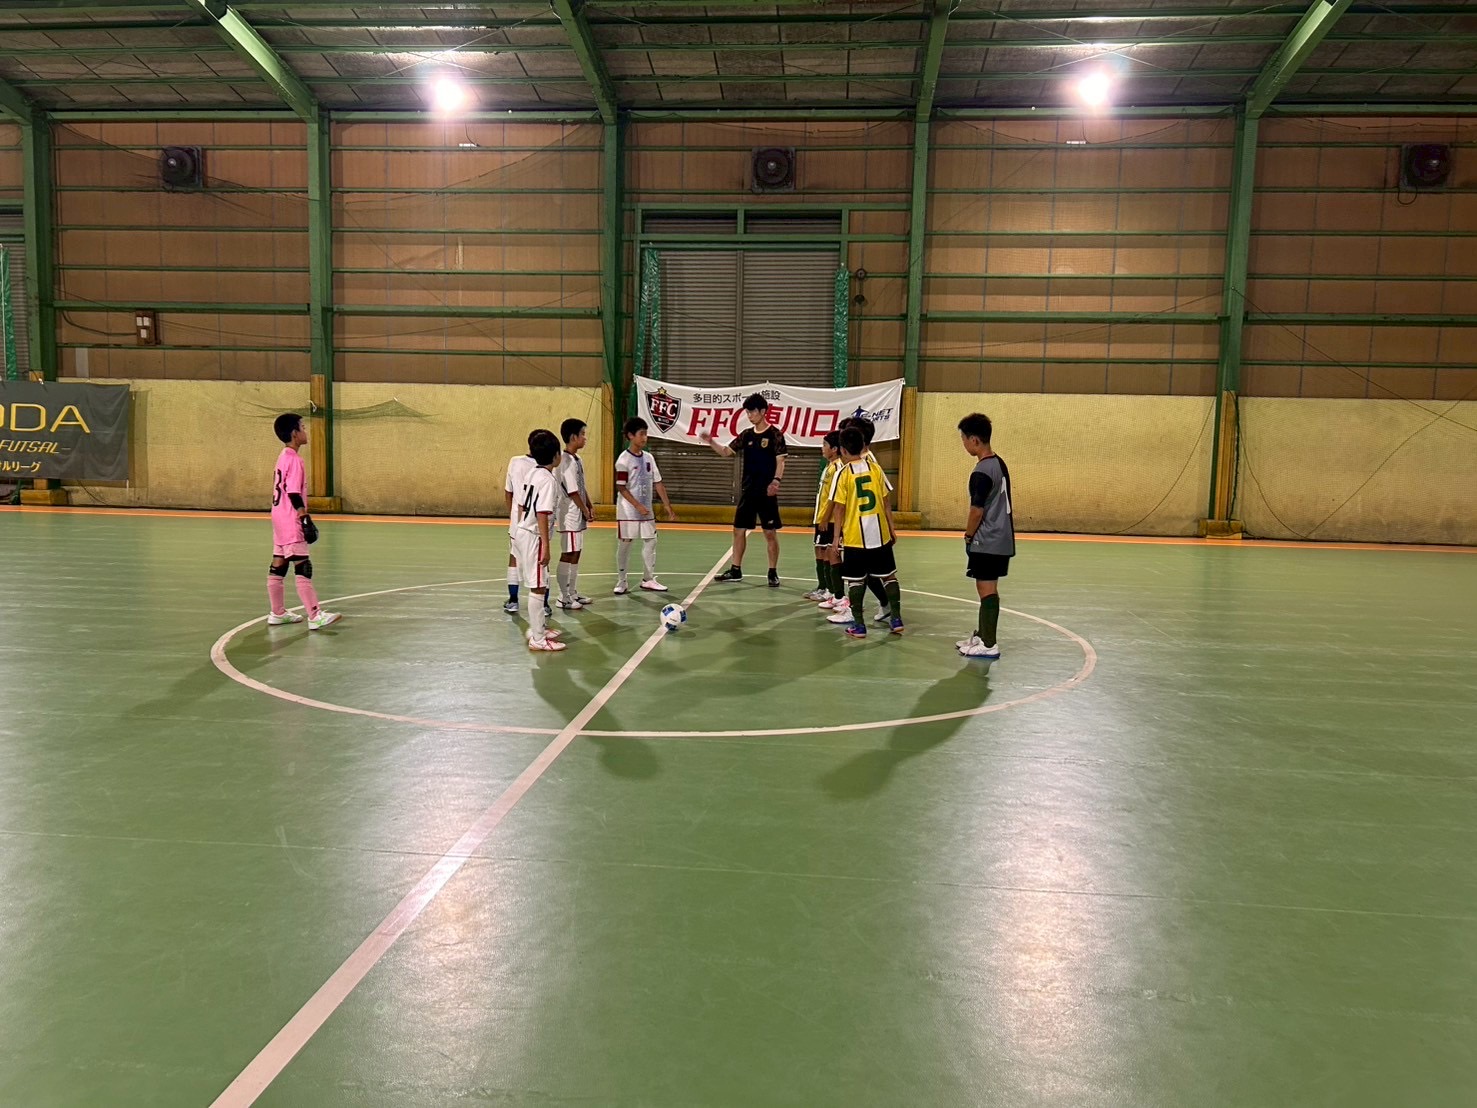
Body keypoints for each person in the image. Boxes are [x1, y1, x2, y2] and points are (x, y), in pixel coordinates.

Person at [699, 393, 787, 587]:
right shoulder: (746, 435)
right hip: (748, 491)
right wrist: (711, 441)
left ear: (763, 411)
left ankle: (772, 572)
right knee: (738, 530)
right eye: (747, 412)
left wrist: (776, 481)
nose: (749, 415)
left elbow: (781, 461)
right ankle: (735, 569)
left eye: (752, 412)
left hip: (767, 493)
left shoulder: (775, 434)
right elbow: (726, 452)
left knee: (770, 533)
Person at [267, 412, 340, 630]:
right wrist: (303, 516)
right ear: (294, 433)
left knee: (279, 564)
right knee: (302, 565)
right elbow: (293, 492)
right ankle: (315, 615)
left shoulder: (283, 456)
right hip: (290, 518)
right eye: (302, 427)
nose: (305, 431)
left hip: (278, 517)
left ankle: (277, 612)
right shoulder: (295, 460)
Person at [828, 426, 902, 638]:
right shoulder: (875, 469)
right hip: (879, 533)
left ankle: (859, 626)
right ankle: (896, 619)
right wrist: (892, 528)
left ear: (842, 450)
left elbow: (839, 509)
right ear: (862, 446)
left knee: (855, 580)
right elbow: (886, 502)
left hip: (855, 537)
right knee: (889, 576)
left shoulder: (843, 474)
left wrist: (836, 539)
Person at [957, 412, 1014, 661]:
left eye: (964, 439)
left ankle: (989, 644)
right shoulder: (998, 463)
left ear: (974, 440)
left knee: (986, 588)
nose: (964, 444)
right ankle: (982, 635)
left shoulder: (981, 472)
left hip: (988, 539)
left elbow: (976, 510)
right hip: (1001, 537)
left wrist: (968, 535)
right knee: (988, 587)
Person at [839, 414, 896, 625]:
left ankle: (862, 609)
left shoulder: (865, 463)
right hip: (868, 528)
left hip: (866, 528)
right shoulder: (863, 461)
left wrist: (890, 527)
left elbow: (885, 499)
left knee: (862, 573)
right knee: (869, 572)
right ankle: (885, 605)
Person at [513, 429, 566, 652]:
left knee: (539, 584)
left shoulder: (532, 473)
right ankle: (537, 638)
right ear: (556, 455)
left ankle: (539, 628)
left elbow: (522, 505)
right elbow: (542, 513)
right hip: (534, 536)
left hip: (524, 531)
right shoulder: (547, 480)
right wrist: (545, 545)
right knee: (538, 587)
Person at [614, 417, 676, 595]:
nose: (644, 438)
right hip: (628, 512)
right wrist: (637, 505)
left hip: (646, 511)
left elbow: (658, 482)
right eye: (641, 434)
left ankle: (648, 579)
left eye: (646, 434)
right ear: (630, 436)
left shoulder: (649, 458)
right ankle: (622, 580)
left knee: (651, 540)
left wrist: (667, 505)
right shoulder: (623, 460)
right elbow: (621, 487)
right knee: (625, 543)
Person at [554, 417, 596, 610]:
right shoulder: (566, 461)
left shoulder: (577, 459)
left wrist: (589, 504)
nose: (585, 438)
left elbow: (580, 487)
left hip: (577, 513)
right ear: (573, 437)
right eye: (582, 434)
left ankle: (572, 592)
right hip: (569, 514)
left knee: (576, 552)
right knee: (568, 553)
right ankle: (562, 596)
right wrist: (584, 510)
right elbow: (572, 491)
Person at [502, 431, 541, 616]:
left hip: (518, 522)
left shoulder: (515, 462)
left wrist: (513, 516)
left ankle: (513, 600)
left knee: (514, 557)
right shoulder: (545, 469)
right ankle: (544, 605)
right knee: (541, 562)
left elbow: (508, 492)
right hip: (537, 523)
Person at [806, 430, 842, 604]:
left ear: (834, 449)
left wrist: (826, 518)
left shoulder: (837, 468)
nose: (822, 448)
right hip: (821, 517)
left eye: (825, 445)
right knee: (819, 549)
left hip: (830, 520)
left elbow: (834, 498)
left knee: (828, 552)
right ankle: (823, 586)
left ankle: (831, 590)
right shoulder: (828, 466)